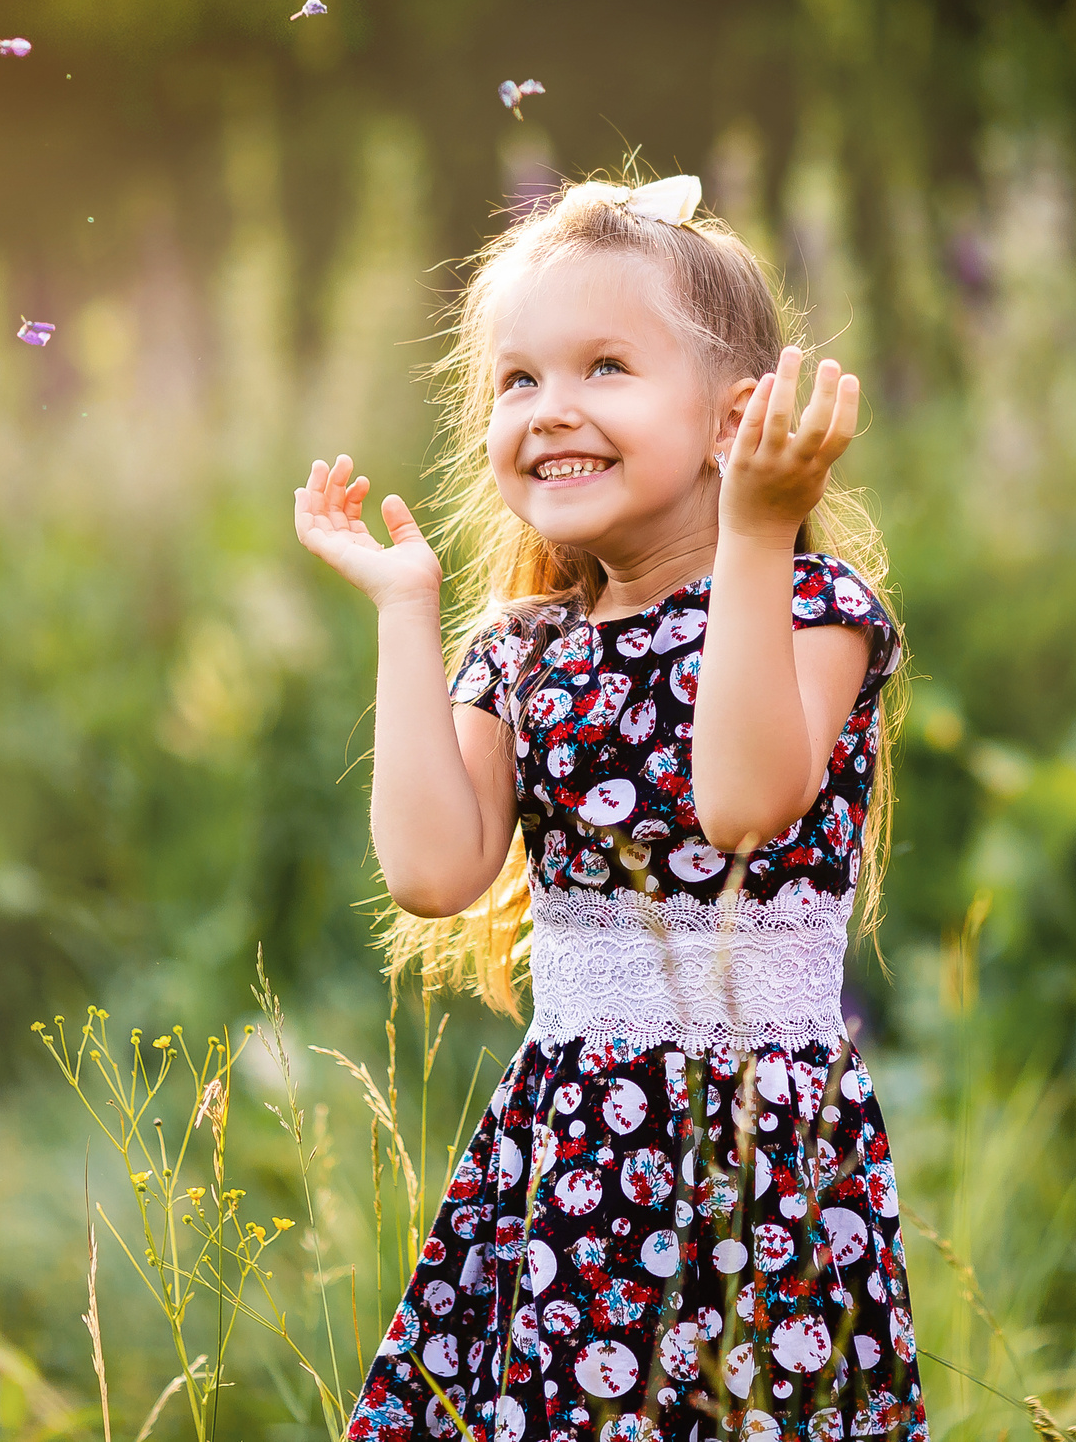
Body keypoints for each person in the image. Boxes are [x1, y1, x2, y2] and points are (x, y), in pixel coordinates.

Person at [294, 174, 924, 1442]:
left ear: (732, 418)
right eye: (517, 381)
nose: (550, 410)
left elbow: (742, 807)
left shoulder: (812, 608)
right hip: (571, 1162)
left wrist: (757, 532)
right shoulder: (522, 650)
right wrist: (407, 611)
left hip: (752, 1155)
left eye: (603, 368)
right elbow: (431, 870)